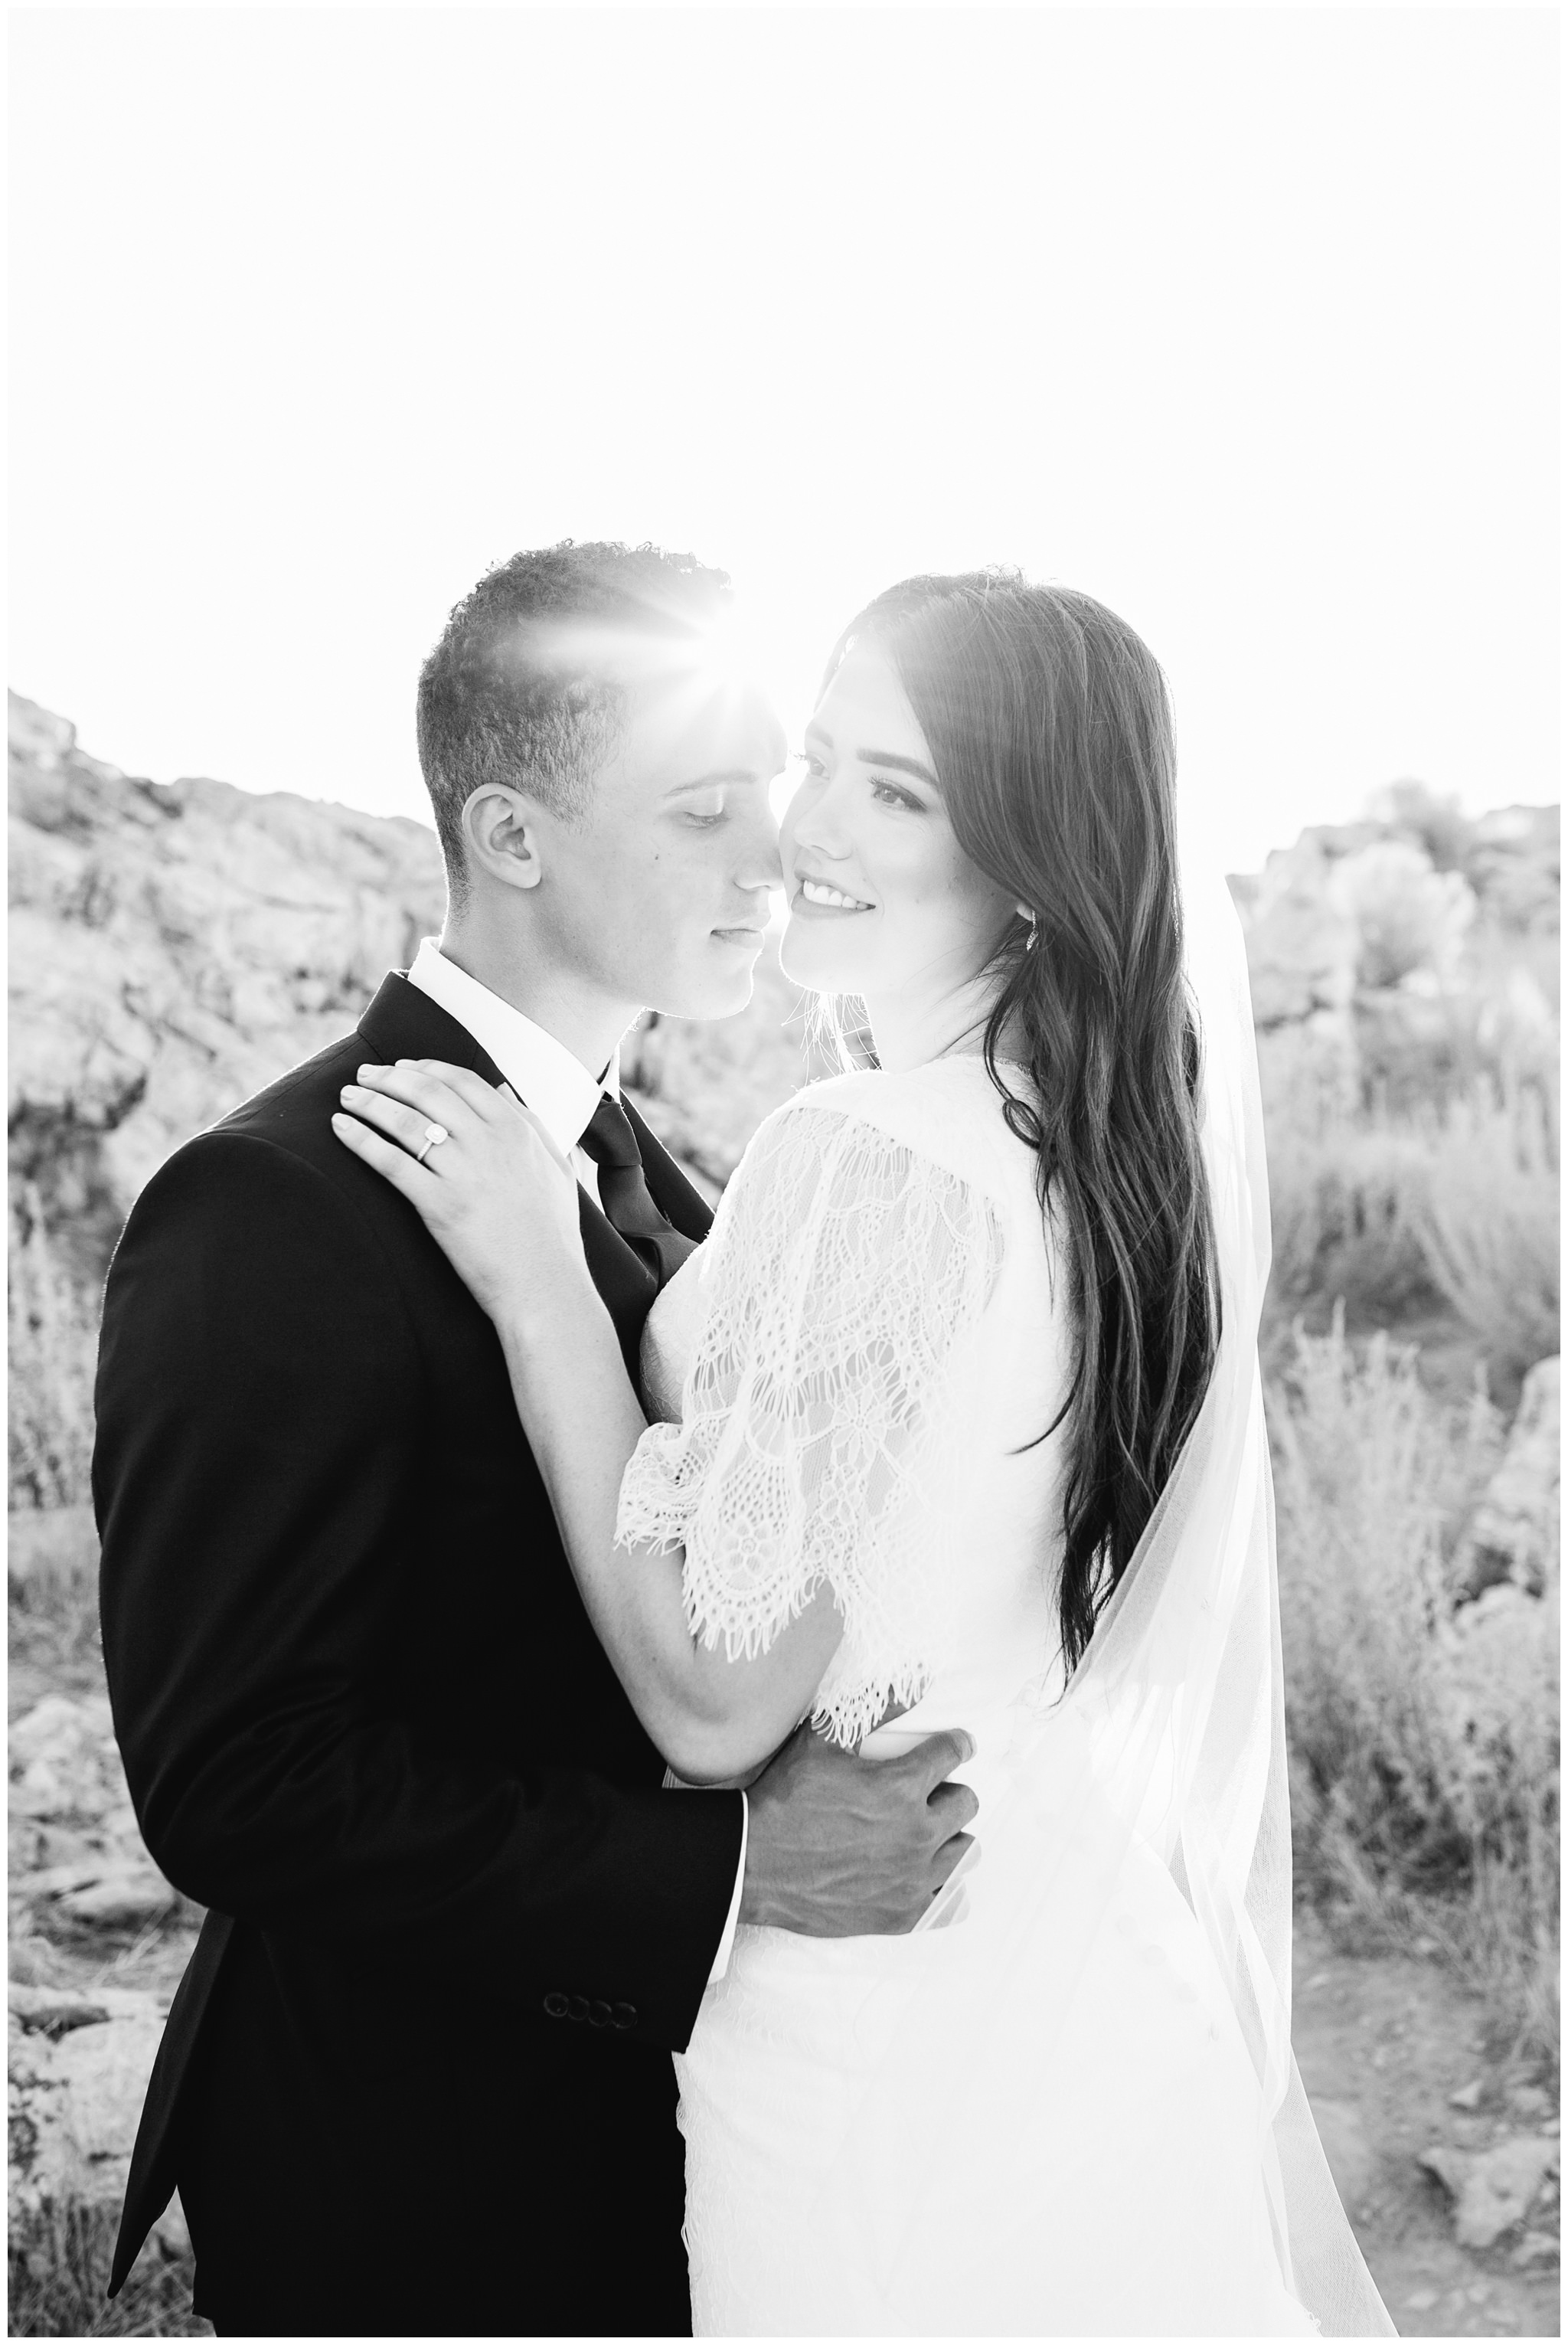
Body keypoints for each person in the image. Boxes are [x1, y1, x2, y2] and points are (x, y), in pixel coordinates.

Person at [339, 570, 1396, 2337]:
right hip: (1072, 1969)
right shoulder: (1104, 1154)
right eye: (815, 754)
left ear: (1031, 864)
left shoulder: (876, 1155)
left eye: (894, 793)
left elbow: (710, 1695)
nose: (800, 828)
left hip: (882, 2040)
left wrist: (542, 1284)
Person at [94, 542, 980, 2339]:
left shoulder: (677, 1183)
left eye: (780, 795)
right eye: (703, 808)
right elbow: (237, 1777)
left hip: (675, 2142)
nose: (777, 856)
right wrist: (736, 1872)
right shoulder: (267, 1209)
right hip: (419, 2172)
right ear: (510, 836)